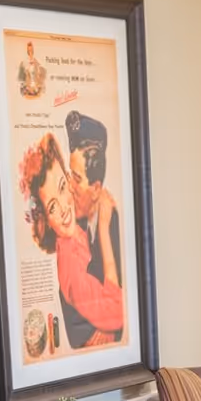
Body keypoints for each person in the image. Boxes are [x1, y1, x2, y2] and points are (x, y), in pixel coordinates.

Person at [20, 132, 124, 348]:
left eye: (62, 186)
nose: (64, 209)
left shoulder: (75, 226)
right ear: (46, 220)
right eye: (52, 207)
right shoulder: (71, 271)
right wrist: (103, 230)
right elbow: (118, 311)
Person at [65, 111, 123, 298]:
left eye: (77, 178)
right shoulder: (76, 223)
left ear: (96, 188)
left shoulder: (114, 228)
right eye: (70, 175)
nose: (70, 187)